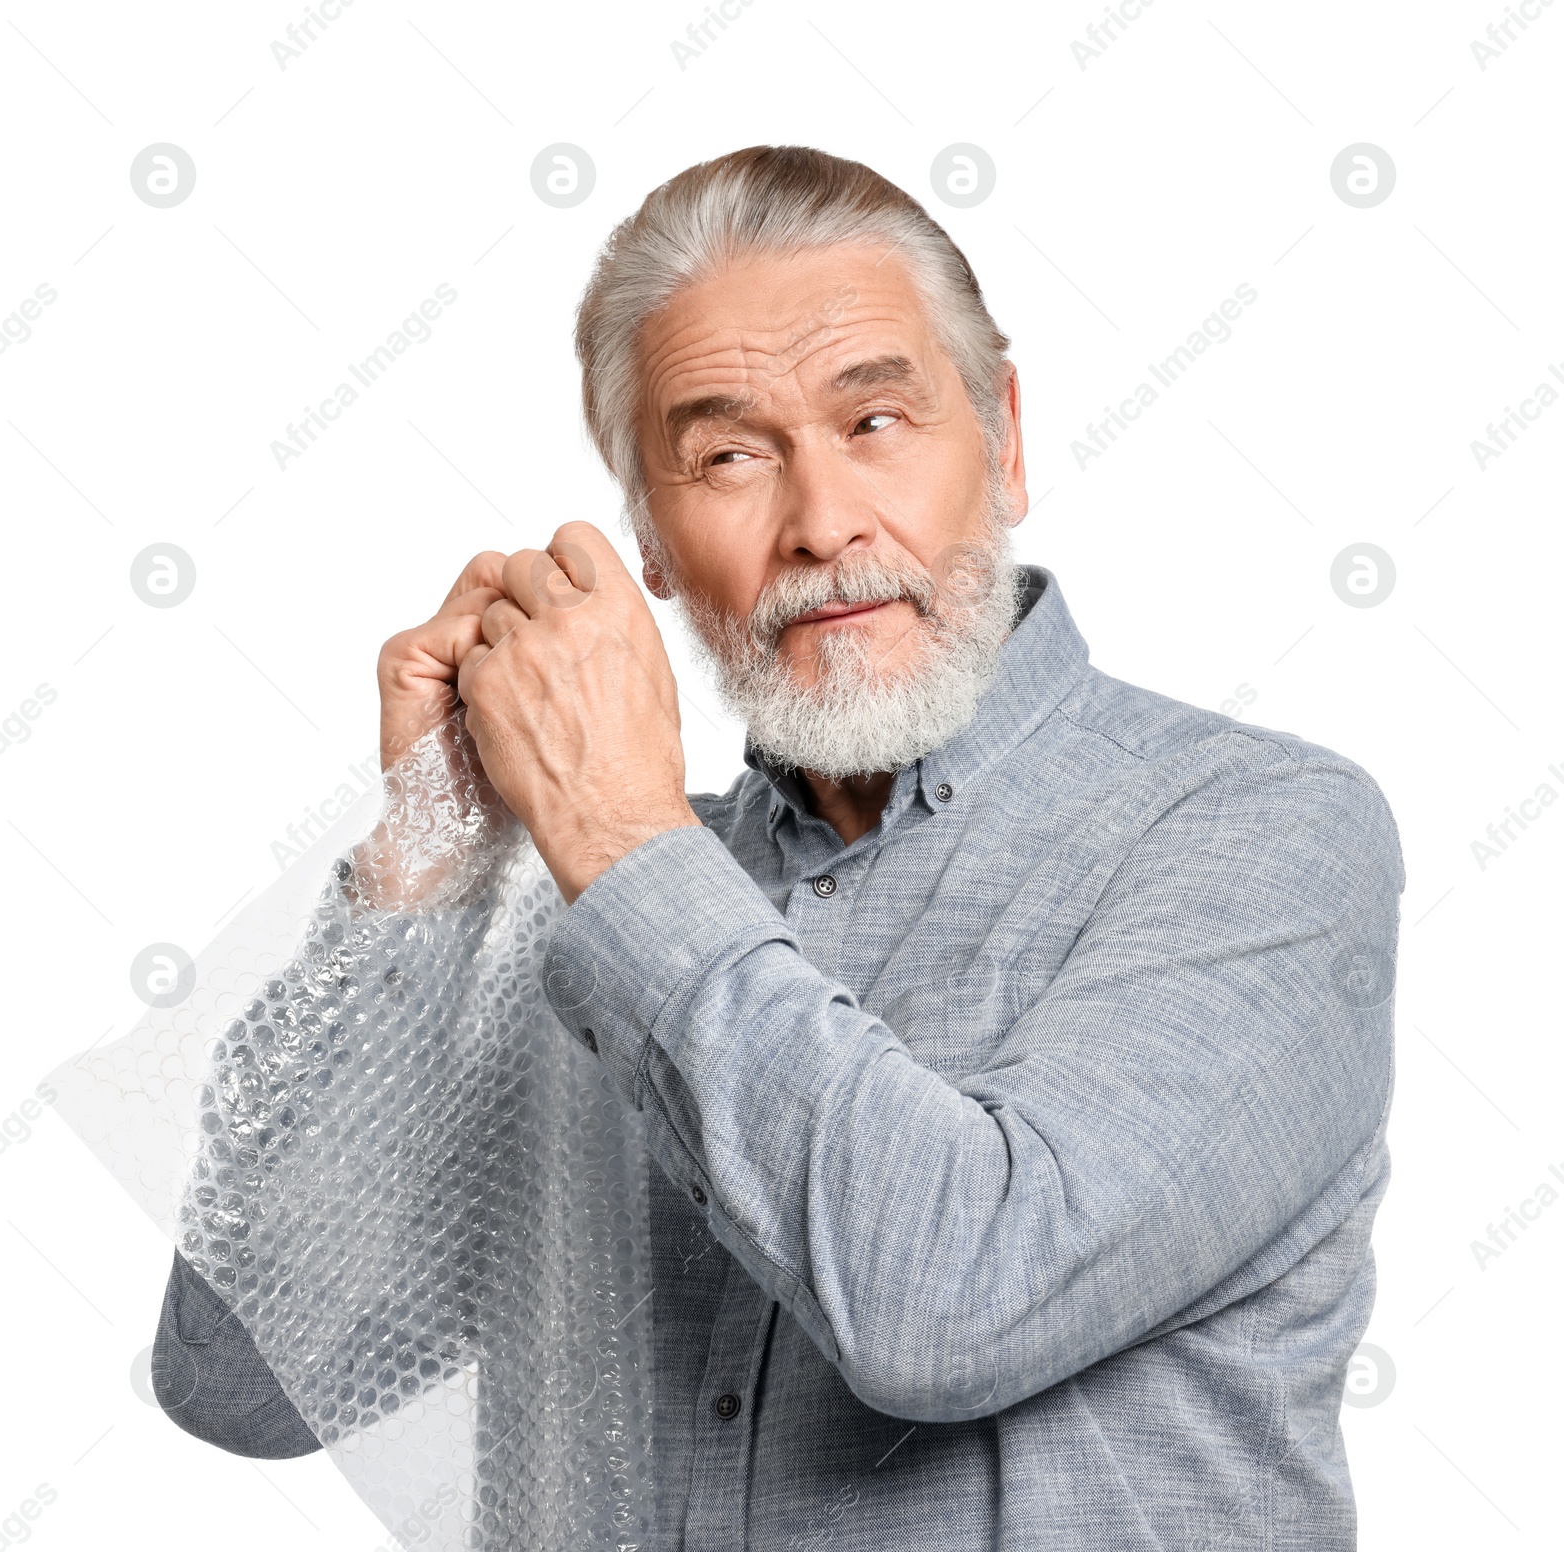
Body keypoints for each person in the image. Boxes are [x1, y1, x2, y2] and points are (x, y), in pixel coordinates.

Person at [153, 144, 1401, 1549]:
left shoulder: (1264, 836)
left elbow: (952, 1303)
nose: (820, 526)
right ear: (654, 543)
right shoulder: (597, 896)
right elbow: (246, 1382)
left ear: (1004, 439)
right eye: (729, 456)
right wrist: (425, 869)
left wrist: (615, 841)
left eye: (875, 422)